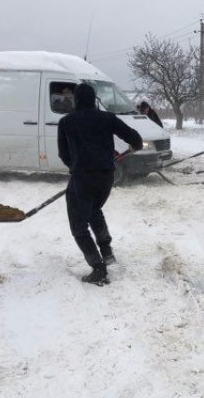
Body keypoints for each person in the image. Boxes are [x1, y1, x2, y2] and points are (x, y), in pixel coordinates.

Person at [58, 83, 142, 285]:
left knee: (78, 226)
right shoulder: (107, 118)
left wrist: (75, 166)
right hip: (106, 177)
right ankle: (106, 250)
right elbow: (136, 140)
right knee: (94, 209)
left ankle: (98, 268)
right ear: (94, 99)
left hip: (82, 178)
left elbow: (63, 154)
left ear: (76, 100)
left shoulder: (66, 122)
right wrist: (130, 149)